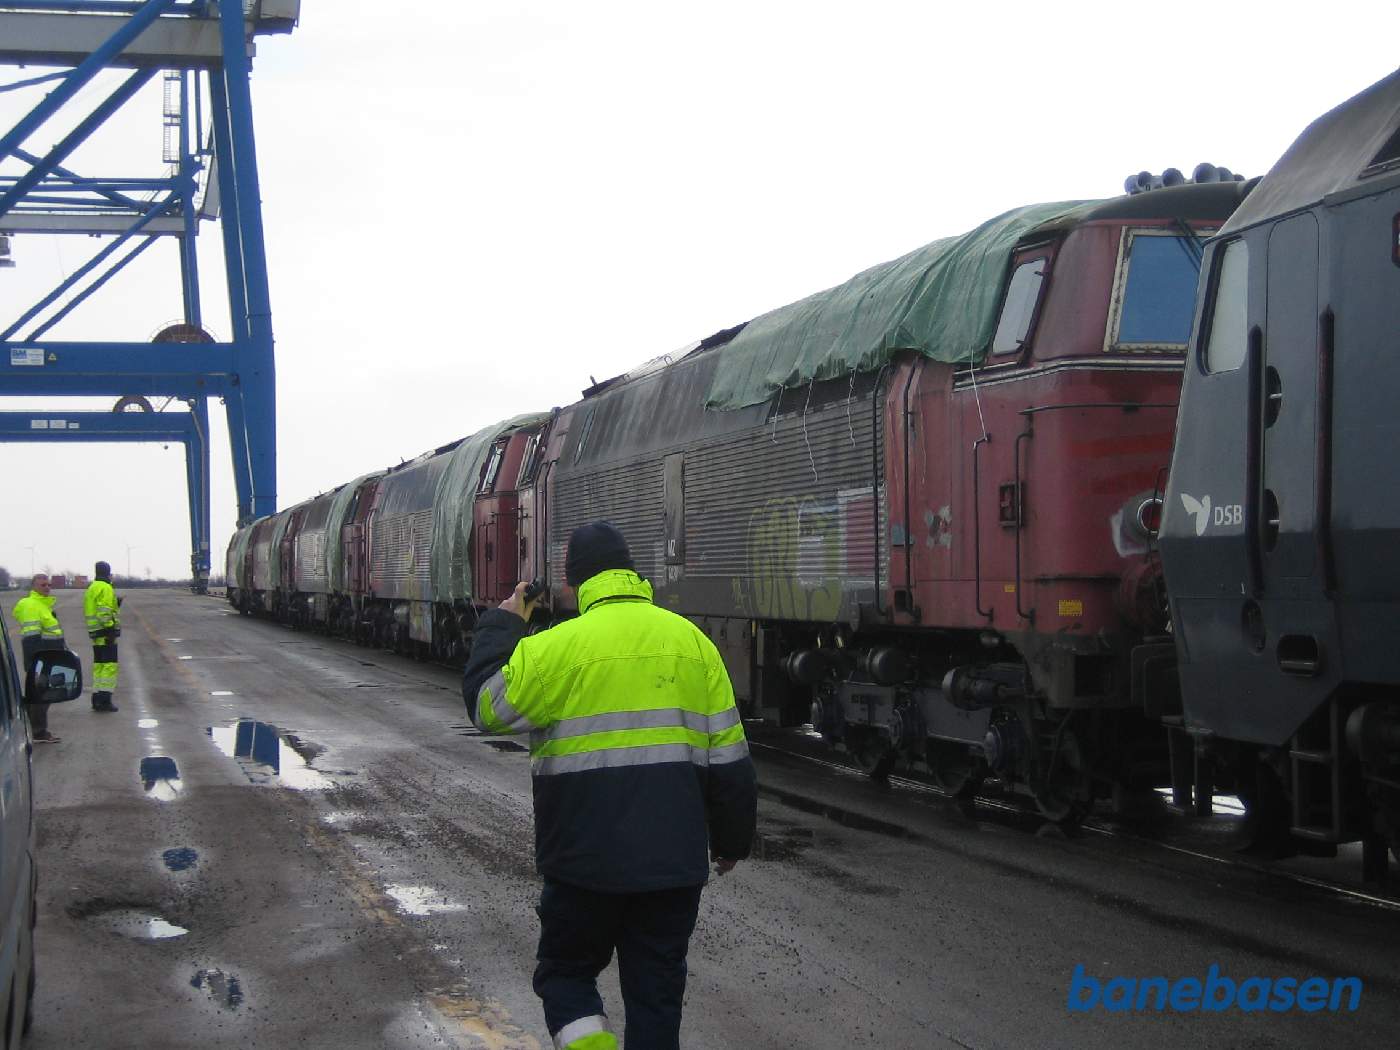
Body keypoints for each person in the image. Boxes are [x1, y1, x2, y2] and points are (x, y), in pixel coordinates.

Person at [462, 521, 757, 1050]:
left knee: (566, 976)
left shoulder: (552, 649)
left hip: (581, 866)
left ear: (574, 585)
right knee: (657, 996)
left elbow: (487, 707)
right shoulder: (694, 645)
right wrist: (732, 841)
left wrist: (502, 625)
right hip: (672, 870)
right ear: (631, 574)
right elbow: (731, 759)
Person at [11, 573, 65, 743]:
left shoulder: (42, 605)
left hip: (47, 655)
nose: (47, 587)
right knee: (42, 695)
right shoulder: (32, 605)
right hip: (41, 657)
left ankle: (29, 727)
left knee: (38, 693)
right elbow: (32, 636)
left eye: (49, 585)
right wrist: (37, 661)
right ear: (33, 587)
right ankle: (38, 732)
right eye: (43, 585)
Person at [83, 560, 120, 712]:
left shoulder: (92, 587)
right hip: (105, 633)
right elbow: (103, 612)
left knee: (99, 666)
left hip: (95, 633)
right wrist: (110, 628)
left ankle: (97, 698)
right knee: (109, 667)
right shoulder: (106, 587)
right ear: (108, 573)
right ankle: (105, 700)